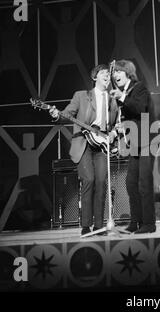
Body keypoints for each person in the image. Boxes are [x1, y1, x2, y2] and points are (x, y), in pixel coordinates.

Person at [49, 64, 118, 235]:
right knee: (89, 180)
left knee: (101, 182)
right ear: (95, 77)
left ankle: (99, 225)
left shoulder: (112, 99)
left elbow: (117, 122)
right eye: (103, 73)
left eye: (108, 74)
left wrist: (114, 133)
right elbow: (67, 113)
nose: (107, 76)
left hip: (102, 145)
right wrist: (56, 114)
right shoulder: (82, 96)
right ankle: (86, 225)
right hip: (84, 144)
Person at [110, 59, 156, 234]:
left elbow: (140, 108)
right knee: (131, 183)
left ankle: (149, 224)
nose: (115, 75)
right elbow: (131, 116)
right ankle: (135, 222)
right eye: (114, 73)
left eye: (119, 72)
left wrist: (122, 97)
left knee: (144, 183)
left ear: (128, 73)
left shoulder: (139, 87)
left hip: (146, 141)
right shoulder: (125, 92)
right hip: (135, 143)